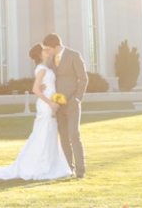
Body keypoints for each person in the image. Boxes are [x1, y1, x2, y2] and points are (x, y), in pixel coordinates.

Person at [0, 44, 72, 181]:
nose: (47, 51)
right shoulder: (42, 69)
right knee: (43, 133)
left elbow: (43, 86)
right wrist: (50, 102)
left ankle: (50, 164)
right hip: (46, 104)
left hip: (50, 101)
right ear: (39, 54)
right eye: (44, 50)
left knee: (48, 133)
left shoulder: (45, 68)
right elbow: (35, 89)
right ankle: (39, 166)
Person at [43, 32, 88, 179]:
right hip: (58, 106)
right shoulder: (51, 60)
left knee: (74, 135)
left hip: (73, 104)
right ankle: (69, 169)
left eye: (49, 49)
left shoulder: (74, 56)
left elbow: (83, 78)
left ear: (57, 47)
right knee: (63, 137)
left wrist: (77, 98)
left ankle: (81, 171)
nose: (48, 51)